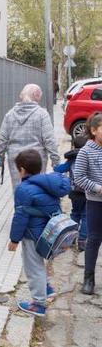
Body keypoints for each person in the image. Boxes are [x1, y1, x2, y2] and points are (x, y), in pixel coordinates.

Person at [8, 149, 70, 317]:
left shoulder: (24, 189)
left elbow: (20, 216)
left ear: (21, 170)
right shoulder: (48, 183)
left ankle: (38, 304)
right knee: (38, 264)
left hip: (32, 235)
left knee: (33, 266)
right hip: (48, 233)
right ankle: (47, 289)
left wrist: (14, 239)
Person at [0, 84, 61, 189]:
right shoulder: (42, 114)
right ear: (36, 96)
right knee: (38, 189)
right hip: (37, 159)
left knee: (19, 189)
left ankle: (20, 205)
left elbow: (3, 139)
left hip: (15, 158)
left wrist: (0, 158)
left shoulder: (10, 114)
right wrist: (56, 161)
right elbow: (49, 139)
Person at [73, 112, 102, 295]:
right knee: (94, 239)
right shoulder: (86, 151)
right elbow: (79, 178)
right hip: (96, 202)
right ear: (94, 130)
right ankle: (88, 279)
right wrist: (98, 188)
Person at [54, 134, 88, 251]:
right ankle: (82, 240)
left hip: (74, 193)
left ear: (73, 146)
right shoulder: (89, 157)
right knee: (86, 216)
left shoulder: (71, 160)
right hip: (88, 193)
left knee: (75, 214)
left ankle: (71, 238)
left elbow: (59, 169)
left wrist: (55, 165)